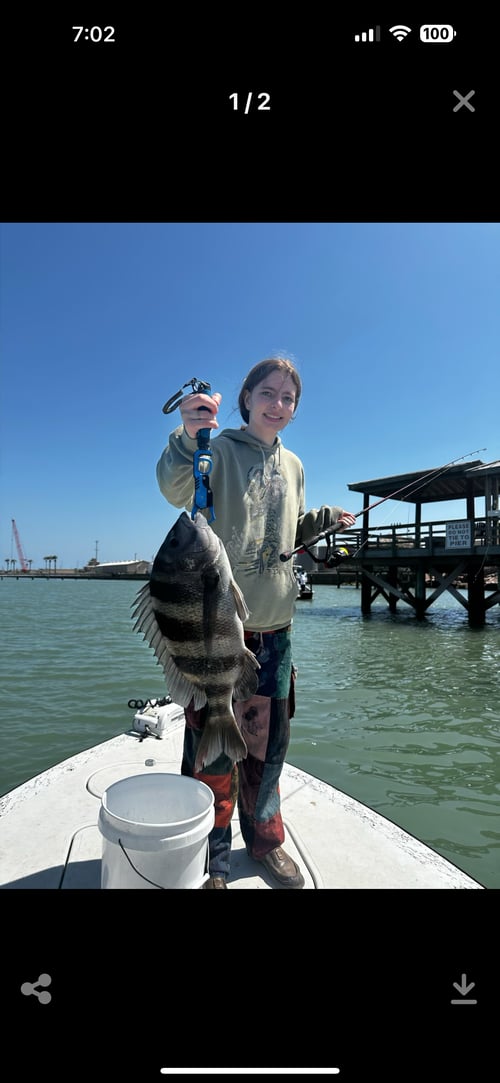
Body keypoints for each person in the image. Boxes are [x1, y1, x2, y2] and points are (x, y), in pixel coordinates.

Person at [156, 357, 356, 889]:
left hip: (277, 629)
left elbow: (286, 531)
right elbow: (178, 490)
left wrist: (321, 520)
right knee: (211, 752)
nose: (278, 404)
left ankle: (264, 842)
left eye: (289, 398)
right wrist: (187, 435)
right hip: (218, 630)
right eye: (268, 393)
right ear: (246, 398)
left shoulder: (294, 466)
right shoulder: (215, 450)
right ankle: (212, 856)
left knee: (267, 750)